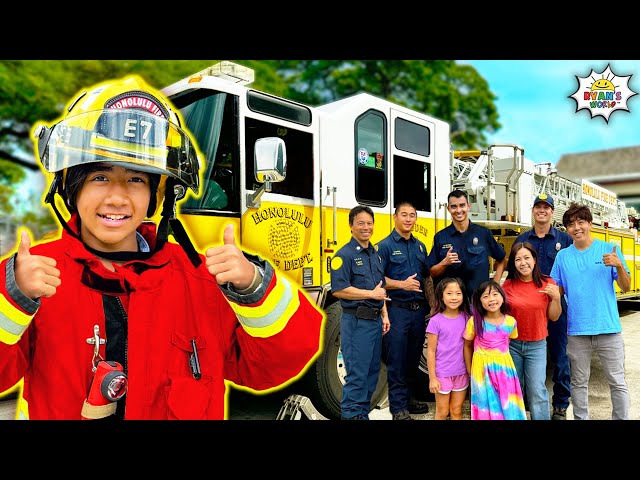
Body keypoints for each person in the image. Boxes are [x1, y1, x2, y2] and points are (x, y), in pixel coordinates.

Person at [0, 76, 323, 420]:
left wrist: (255, 288)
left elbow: (275, 365)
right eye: (99, 176)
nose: (117, 196)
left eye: (137, 179)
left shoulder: (200, 281)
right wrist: (13, 298)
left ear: (159, 195)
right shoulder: (32, 277)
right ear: (70, 185)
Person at [550, 203, 631, 420]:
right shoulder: (563, 257)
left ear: (590, 224)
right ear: (567, 228)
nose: (576, 227)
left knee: (617, 382)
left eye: (581, 222)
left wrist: (619, 266)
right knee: (578, 383)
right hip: (577, 331)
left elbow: (626, 287)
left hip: (608, 328)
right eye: (571, 224)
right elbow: (555, 291)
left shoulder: (608, 249)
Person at [514, 193, 573, 420]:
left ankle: (560, 404)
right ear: (533, 210)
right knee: (527, 356)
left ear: (551, 211)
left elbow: (571, 272)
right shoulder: (522, 239)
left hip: (556, 305)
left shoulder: (564, 240)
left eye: (546, 207)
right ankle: (528, 402)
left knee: (560, 356)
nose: (542, 210)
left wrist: (560, 293)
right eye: (538, 206)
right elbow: (515, 268)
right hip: (528, 308)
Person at [330, 205, 390, 420]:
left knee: (371, 377)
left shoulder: (374, 255)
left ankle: (361, 416)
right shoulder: (343, 255)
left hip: (374, 323)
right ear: (351, 226)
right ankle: (353, 416)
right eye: (361, 223)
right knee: (357, 378)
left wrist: (384, 314)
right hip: (356, 323)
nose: (366, 227)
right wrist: (370, 295)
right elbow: (338, 289)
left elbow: (379, 287)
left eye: (369, 223)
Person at [376, 201, 430, 420]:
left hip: (418, 311)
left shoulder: (420, 246)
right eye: (404, 215)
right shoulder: (384, 246)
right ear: (395, 217)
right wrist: (401, 284)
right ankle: (398, 408)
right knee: (396, 360)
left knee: (413, 359)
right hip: (396, 310)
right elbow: (377, 279)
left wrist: (433, 304)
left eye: (412, 215)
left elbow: (426, 277)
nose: (408, 219)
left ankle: (408, 399)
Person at [502, 242, 562, 420]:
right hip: (512, 345)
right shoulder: (508, 284)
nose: (523, 263)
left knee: (537, 390)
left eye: (527, 258)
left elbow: (554, 317)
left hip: (537, 345)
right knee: (514, 390)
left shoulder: (548, 283)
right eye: (518, 259)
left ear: (534, 260)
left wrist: (557, 298)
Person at [463, 280, 527, 420]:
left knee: (508, 405)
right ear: (479, 301)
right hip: (481, 371)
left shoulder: (510, 322)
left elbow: (507, 342)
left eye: (495, 294)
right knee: (485, 405)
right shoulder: (475, 322)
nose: (491, 299)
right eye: (486, 296)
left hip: (505, 371)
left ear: (503, 297)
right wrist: (470, 370)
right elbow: (467, 346)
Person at [428, 189, 507, 297]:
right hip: (453, 305)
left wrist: (495, 285)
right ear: (448, 209)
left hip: (479, 303)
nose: (458, 210)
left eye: (462, 205)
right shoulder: (440, 237)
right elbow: (431, 273)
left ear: (468, 206)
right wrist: (444, 263)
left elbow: (502, 259)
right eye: (454, 206)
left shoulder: (483, 233)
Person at [426, 277, 470, 420]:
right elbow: (431, 351)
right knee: (442, 412)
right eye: (449, 293)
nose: (454, 297)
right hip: (442, 374)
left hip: (461, 373)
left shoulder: (467, 319)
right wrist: (432, 378)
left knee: (457, 411)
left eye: (458, 293)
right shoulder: (435, 321)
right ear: (441, 296)